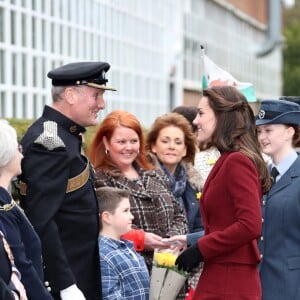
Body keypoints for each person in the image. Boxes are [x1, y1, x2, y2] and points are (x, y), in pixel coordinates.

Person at [18, 61, 116, 300]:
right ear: (71, 95)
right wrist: (65, 283)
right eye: (96, 96)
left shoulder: (65, 135)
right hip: (66, 277)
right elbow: (41, 219)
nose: (101, 104)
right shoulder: (50, 142)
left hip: (78, 269)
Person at [175, 86, 270, 299]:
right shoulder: (229, 158)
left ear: (222, 116)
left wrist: (201, 248)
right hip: (223, 274)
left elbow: (250, 224)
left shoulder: (236, 161)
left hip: (230, 280)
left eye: (201, 113)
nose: (196, 121)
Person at [88, 109, 187, 269]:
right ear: (106, 142)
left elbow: (179, 214)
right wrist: (141, 239)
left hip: (169, 265)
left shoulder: (153, 169)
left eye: (134, 141)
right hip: (131, 269)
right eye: (121, 142)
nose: (129, 147)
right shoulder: (98, 179)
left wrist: (170, 241)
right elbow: (100, 225)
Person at [0, 122, 52, 299]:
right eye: (18, 149)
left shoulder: (6, 201)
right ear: (5, 155)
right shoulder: (2, 208)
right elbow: (22, 265)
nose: (22, 155)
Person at [256, 99, 300, 300]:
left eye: (268, 130)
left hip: (291, 286)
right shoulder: (259, 174)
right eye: (259, 131)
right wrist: (190, 240)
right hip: (258, 284)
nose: (262, 137)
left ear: (289, 132)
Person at [146, 112, 204, 247]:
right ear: (154, 146)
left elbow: (199, 226)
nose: (172, 146)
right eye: (165, 141)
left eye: (178, 142)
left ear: (185, 149)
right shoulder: (142, 180)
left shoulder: (195, 185)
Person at [97, 186, 149, 300]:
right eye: (126, 211)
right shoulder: (103, 255)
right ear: (107, 217)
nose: (132, 216)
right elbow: (109, 296)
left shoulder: (127, 248)